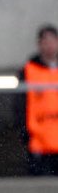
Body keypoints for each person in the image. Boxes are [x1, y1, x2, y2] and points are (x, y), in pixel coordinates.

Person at [22, 24, 58, 176]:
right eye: (45, 41)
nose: (49, 45)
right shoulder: (29, 70)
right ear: (39, 44)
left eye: (52, 41)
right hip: (39, 142)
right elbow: (21, 104)